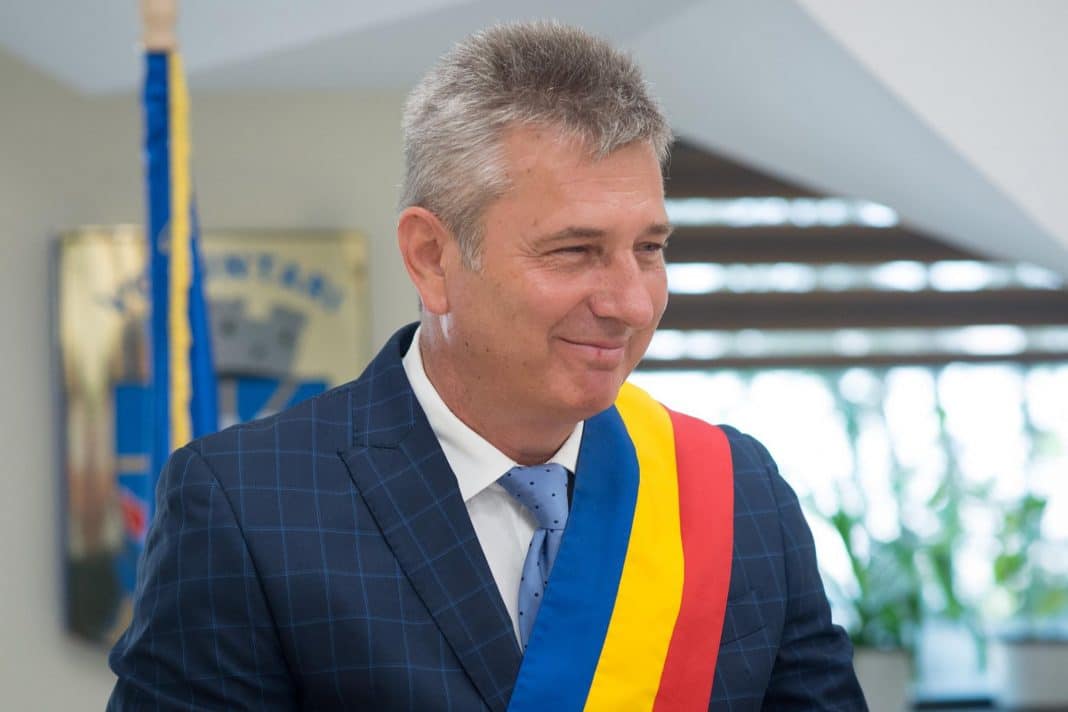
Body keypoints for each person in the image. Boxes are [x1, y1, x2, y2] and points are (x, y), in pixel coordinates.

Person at [109, 16, 865, 712]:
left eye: (649, 249)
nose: (632, 304)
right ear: (431, 257)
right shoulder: (245, 504)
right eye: (576, 250)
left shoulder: (736, 493)